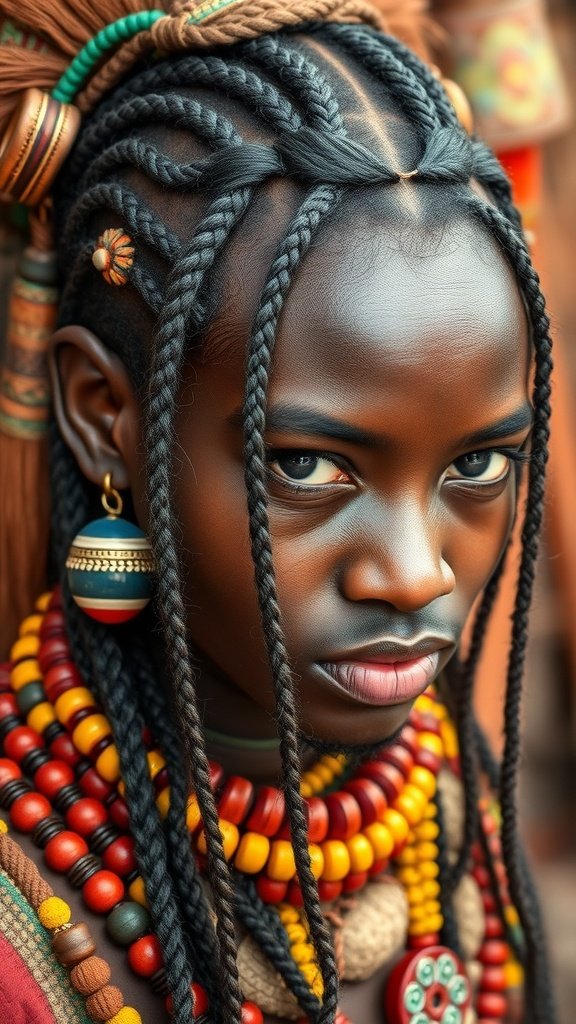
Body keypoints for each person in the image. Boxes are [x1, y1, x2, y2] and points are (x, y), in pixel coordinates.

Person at [0, 1, 557, 1022]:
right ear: (102, 414)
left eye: (478, 461)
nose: (414, 572)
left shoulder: (450, 818)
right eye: (309, 464)